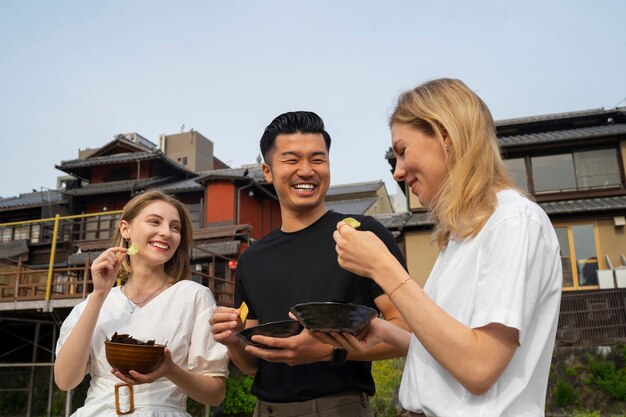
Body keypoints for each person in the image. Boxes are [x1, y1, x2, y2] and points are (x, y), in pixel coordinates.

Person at [314, 78, 563, 417]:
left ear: (446, 136)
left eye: (402, 151)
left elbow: (479, 366)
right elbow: (456, 350)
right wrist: (385, 332)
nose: (399, 172)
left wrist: (382, 268)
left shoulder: (514, 220)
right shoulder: (463, 234)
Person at [209, 111, 409, 417]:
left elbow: (405, 330)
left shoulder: (360, 233)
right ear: (268, 170)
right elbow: (253, 364)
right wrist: (233, 340)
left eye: (318, 159)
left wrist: (330, 352)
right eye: (291, 160)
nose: (307, 171)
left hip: (339, 408)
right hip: (266, 410)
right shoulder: (252, 258)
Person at [54, 190, 228, 416]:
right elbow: (65, 380)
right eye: (155, 222)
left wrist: (171, 370)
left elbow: (214, 395)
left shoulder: (194, 296)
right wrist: (99, 294)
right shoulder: (95, 301)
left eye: (175, 228)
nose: (166, 232)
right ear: (125, 229)